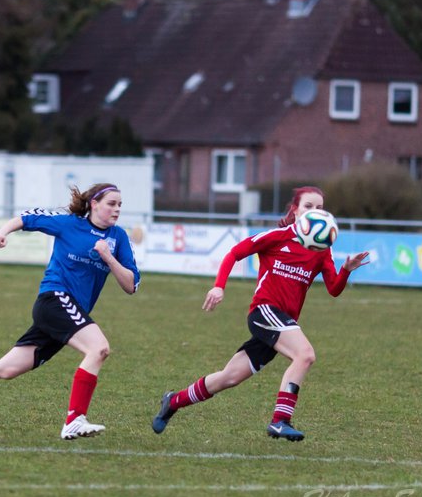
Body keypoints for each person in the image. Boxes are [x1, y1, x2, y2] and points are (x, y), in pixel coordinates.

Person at [0, 183, 140, 439]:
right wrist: (2, 232)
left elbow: (131, 285)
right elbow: (26, 218)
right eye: (111, 204)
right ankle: (75, 419)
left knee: (6, 369)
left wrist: (109, 257)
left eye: (120, 205)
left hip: (70, 311)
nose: (117, 210)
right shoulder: (68, 223)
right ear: (94, 204)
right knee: (98, 348)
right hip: (54, 299)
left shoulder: (118, 238)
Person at [152, 186, 369, 442]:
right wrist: (219, 286)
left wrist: (346, 269)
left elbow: (333, 289)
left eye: (320, 208)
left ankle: (173, 401)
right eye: (308, 207)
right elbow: (235, 253)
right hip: (264, 312)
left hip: (283, 323)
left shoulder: (322, 250)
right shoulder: (278, 236)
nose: (315, 212)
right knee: (305, 354)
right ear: (295, 210)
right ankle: (280, 420)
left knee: (229, 377)